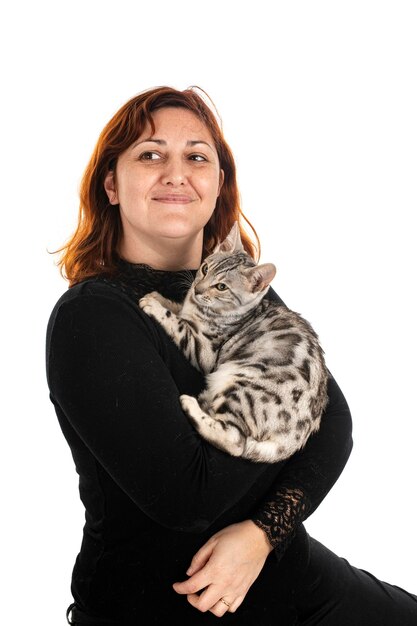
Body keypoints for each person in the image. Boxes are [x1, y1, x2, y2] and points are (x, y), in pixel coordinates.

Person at [46, 86, 417, 625]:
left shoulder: (241, 286)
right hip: (162, 607)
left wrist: (262, 535)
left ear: (218, 185)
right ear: (111, 184)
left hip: (295, 581)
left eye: (197, 156)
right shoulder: (94, 316)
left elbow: (333, 421)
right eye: (151, 155)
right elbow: (187, 499)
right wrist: (285, 432)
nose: (176, 173)